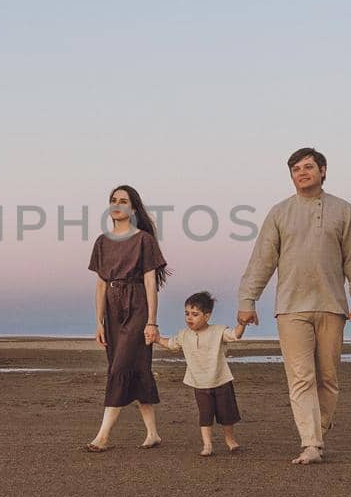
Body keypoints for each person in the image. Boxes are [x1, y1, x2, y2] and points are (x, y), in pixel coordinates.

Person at [237, 147, 351, 465]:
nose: (302, 173)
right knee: (301, 377)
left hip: (331, 306)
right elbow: (262, 259)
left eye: (308, 167)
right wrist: (248, 299)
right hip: (291, 308)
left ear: (323, 170)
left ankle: (318, 432)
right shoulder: (279, 212)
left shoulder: (343, 210)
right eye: (296, 169)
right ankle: (311, 443)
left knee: (327, 378)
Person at [84, 184, 169, 452]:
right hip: (111, 307)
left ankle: (103, 436)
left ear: (133, 208)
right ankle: (153, 433)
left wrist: (152, 321)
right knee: (138, 368)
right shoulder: (102, 241)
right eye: (113, 200)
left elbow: (149, 281)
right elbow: (99, 284)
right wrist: (98, 321)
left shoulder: (143, 240)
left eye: (124, 200)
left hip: (137, 306)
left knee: (119, 368)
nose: (118, 204)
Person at [154, 290, 246, 457]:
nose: (189, 317)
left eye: (195, 314)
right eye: (187, 313)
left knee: (227, 415)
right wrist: (157, 339)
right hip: (199, 383)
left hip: (221, 380)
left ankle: (230, 440)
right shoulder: (184, 335)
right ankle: (207, 444)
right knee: (205, 415)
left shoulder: (218, 331)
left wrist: (242, 323)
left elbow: (235, 335)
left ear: (207, 316)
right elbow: (171, 344)